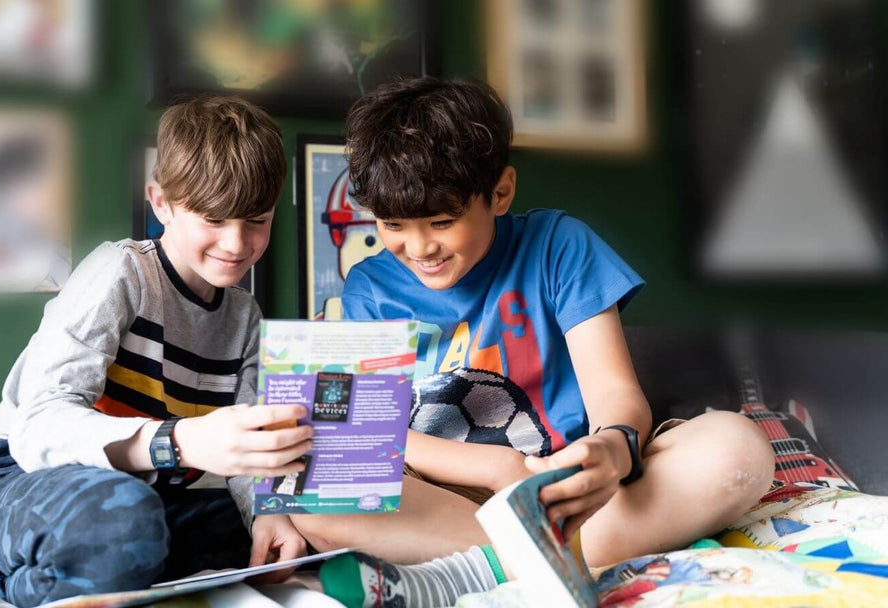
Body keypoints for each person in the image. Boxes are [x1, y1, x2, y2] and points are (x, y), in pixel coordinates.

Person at [296, 77, 776, 608]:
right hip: (442, 501)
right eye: (392, 225)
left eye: (442, 221)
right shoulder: (370, 285)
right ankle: (568, 558)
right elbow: (372, 435)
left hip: (568, 495)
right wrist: (494, 469)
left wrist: (611, 448)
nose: (419, 246)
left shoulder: (558, 245)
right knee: (311, 491)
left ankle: (469, 573)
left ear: (500, 192)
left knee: (738, 448)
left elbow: (615, 395)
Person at [0, 96, 312, 607]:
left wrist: (269, 514)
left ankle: (111, 567)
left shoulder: (245, 317)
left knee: (306, 526)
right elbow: (38, 427)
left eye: (257, 220)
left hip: (143, 495)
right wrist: (177, 442)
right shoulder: (120, 273)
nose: (236, 242)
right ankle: (47, 576)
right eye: (213, 219)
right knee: (122, 519)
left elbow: (244, 457)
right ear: (161, 203)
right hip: (15, 484)